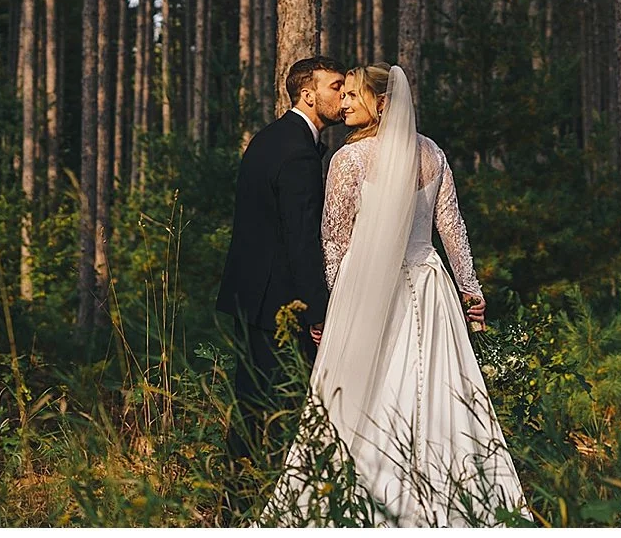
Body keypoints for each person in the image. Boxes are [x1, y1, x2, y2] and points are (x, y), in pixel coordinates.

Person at [261, 63, 530, 527]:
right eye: (340, 95)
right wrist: (471, 292)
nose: (344, 102)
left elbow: (335, 241)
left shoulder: (349, 160)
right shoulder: (432, 154)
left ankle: (366, 500)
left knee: (371, 389)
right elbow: (452, 231)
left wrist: (331, 305)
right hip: (430, 287)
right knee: (438, 392)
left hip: (369, 289)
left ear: (381, 103)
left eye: (353, 95)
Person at [214, 56, 347, 510]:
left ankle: (236, 500)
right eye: (335, 87)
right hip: (277, 302)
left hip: (249, 292)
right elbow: (301, 240)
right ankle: (258, 505)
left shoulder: (269, 138)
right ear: (308, 94)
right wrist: (318, 310)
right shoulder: (297, 153)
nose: (343, 97)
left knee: (250, 402)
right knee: (282, 407)